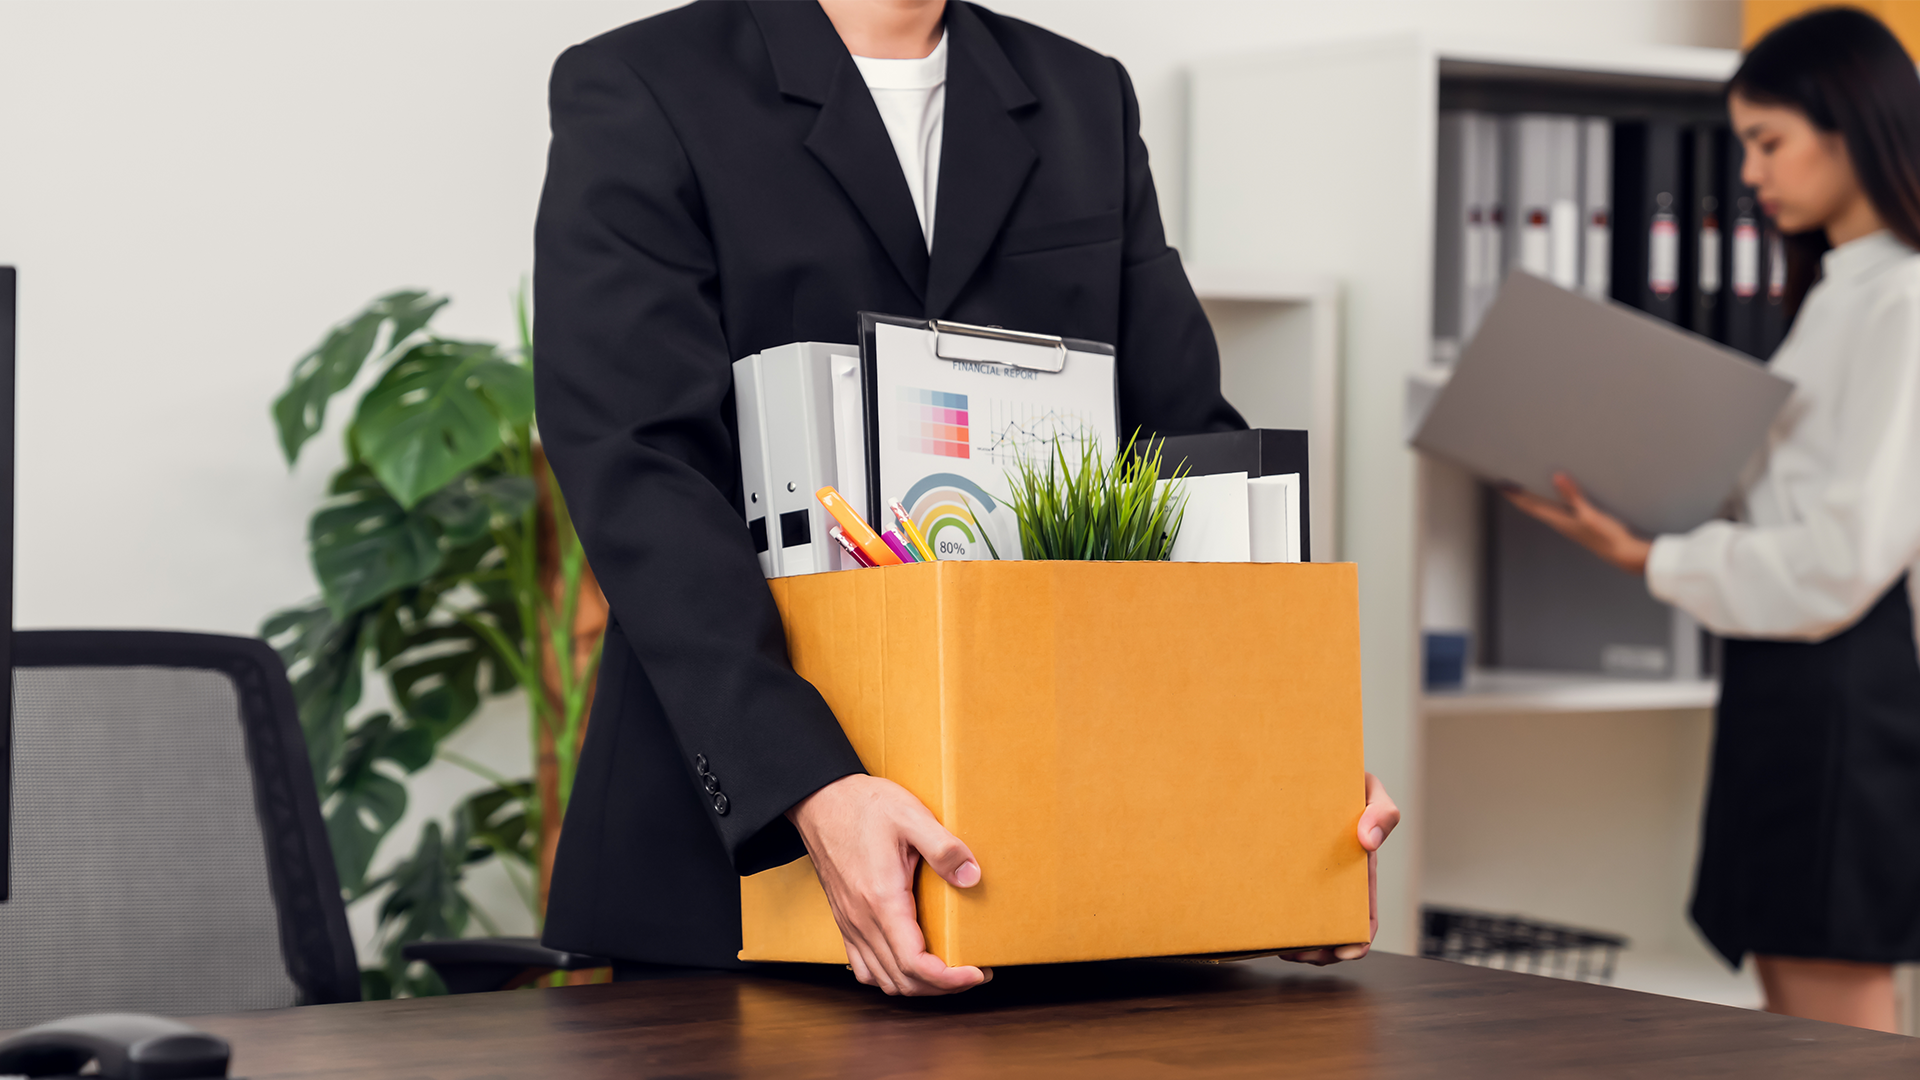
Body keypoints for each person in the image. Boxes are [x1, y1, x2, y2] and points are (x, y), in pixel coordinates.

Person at [532, 0, 1399, 997]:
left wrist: (1280, 756)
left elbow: (1182, 445)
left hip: (1056, 848)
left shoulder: (1085, 98)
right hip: (734, 869)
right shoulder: (644, 83)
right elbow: (640, 464)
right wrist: (808, 784)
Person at [1508, 7, 1920, 1033]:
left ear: (1853, 125)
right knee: (1788, 973)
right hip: (1785, 667)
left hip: (1844, 678)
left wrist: (1653, 557)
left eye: (1767, 140)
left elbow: (1846, 557)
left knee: (1828, 994)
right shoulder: (1839, 288)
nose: (1749, 172)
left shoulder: (1905, 299)